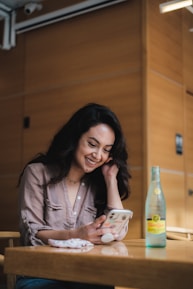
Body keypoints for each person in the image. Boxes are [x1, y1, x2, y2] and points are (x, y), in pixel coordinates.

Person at [16, 103, 131, 289]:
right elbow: (32, 234)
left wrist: (110, 179)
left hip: (84, 273)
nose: (98, 155)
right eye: (92, 144)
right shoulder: (37, 173)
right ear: (75, 138)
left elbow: (118, 231)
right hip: (40, 273)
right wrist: (75, 235)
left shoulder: (98, 184)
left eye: (106, 149)